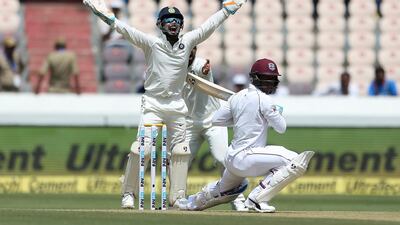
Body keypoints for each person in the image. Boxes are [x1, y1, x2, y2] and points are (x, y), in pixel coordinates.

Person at [82, 0, 248, 208]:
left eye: (177, 20)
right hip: (153, 104)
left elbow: (208, 27)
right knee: (143, 149)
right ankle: (128, 193)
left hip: (177, 106)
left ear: (181, 24)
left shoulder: (187, 42)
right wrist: (102, 12)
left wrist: (226, 10)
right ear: (160, 25)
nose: (173, 23)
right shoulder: (151, 43)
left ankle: (177, 196)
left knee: (180, 152)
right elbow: (122, 28)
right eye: (168, 20)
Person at [176, 58, 314, 213]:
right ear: (255, 78)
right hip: (248, 157)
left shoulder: (236, 97)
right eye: (266, 79)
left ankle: (193, 202)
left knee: (223, 188)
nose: (269, 83)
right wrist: (276, 112)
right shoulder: (266, 100)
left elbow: (216, 120)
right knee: (295, 160)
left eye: (272, 80)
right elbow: (281, 127)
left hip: (232, 158)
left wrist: (241, 119)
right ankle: (256, 199)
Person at [182, 46, 247, 211]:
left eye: (192, 49)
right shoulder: (171, 66)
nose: (190, 54)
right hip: (189, 123)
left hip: (213, 120)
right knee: (180, 162)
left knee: (221, 159)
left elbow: (204, 69)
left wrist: (205, 70)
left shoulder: (200, 64)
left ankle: (237, 198)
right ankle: (178, 198)